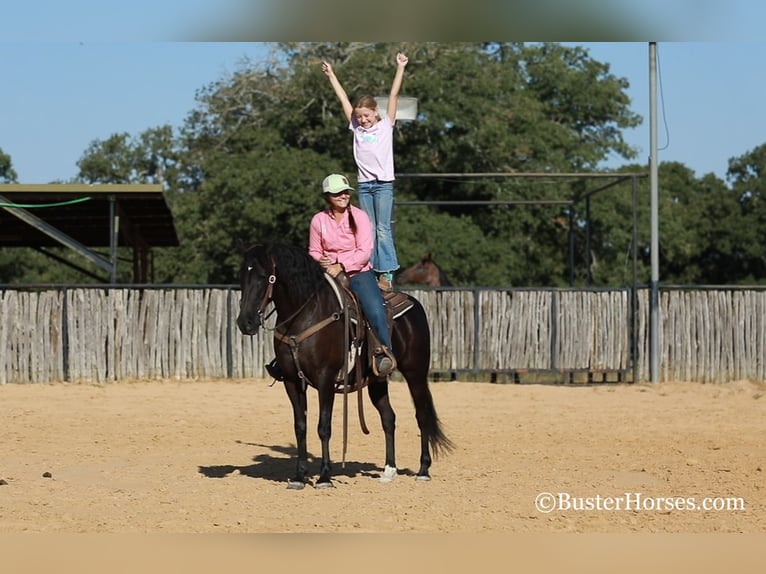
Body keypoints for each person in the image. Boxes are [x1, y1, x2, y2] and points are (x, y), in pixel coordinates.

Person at [321, 52, 409, 292]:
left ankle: (387, 272)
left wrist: (400, 68)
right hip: (365, 184)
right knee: (367, 228)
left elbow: (393, 95)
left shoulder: (385, 126)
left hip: (383, 184)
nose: (363, 120)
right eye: (359, 117)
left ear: (375, 113)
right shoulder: (357, 129)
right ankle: (368, 268)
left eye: (367, 116)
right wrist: (332, 75)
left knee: (383, 228)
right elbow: (342, 99)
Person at [308, 173, 395, 377]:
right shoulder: (318, 220)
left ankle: (384, 352)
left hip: (358, 273)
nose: (343, 196)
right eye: (338, 193)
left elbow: (365, 251)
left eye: (346, 192)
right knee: (299, 301)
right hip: (326, 274)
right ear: (328, 196)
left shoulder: (360, 217)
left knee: (374, 308)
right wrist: (319, 259)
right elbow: (313, 250)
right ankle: (290, 352)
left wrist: (341, 265)